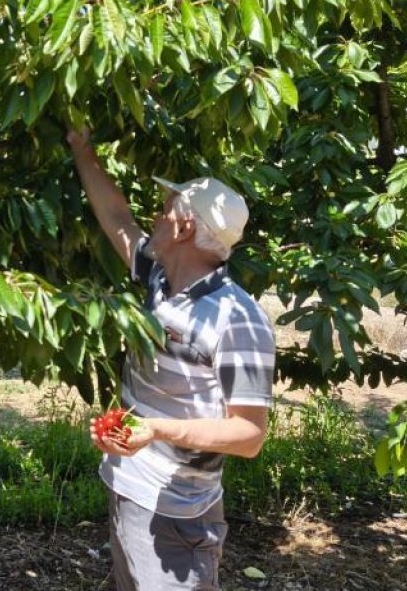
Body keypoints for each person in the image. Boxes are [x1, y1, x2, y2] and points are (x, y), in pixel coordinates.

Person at [66, 129, 276, 591]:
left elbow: (249, 435)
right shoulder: (161, 280)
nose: (155, 218)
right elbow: (117, 218)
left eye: (164, 210)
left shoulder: (237, 319)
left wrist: (156, 430)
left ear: (183, 229)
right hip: (127, 486)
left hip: (177, 513)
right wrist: (81, 145)